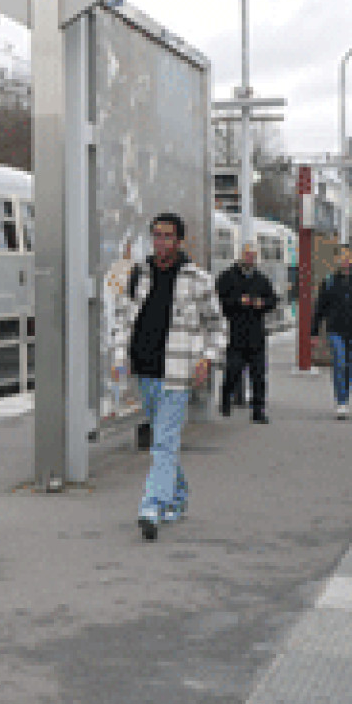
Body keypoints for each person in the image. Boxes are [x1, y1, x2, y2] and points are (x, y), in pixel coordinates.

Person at [111, 212, 227, 541]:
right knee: (164, 442)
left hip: (177, 374)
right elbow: (123, 321)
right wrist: (120, 358)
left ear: (179, 241)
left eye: (167, 236)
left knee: (163, 442)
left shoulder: (198, 280)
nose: (161, 242)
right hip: (144, 371)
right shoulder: (137, 276)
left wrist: (208, 358)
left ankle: (151, 506)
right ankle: (177, 496)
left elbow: (218, 327)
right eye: (156, 235)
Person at [216, 242, 278, 423]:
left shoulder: (261, 279)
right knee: (233, 370)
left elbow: (272, 300)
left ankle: (258, 410)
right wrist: (237, 301)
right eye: (248, 254)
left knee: (258, 375)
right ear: (241, 255)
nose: (250, 258)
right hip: (235, 333)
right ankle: (226, 398)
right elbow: (218, 301)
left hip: (256, 335)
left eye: (253, 255)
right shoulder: (227, 277)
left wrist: (263, 304)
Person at [311, 245, 352, 419]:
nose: (345, 260)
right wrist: (314, 333)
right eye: (341, 257)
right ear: (336, 260)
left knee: (349, 365)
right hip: (335, 329)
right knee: (339, 361)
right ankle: (341, 401)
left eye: (348, 257)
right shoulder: (330, 282)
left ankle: (345, 396)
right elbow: (319, 308)